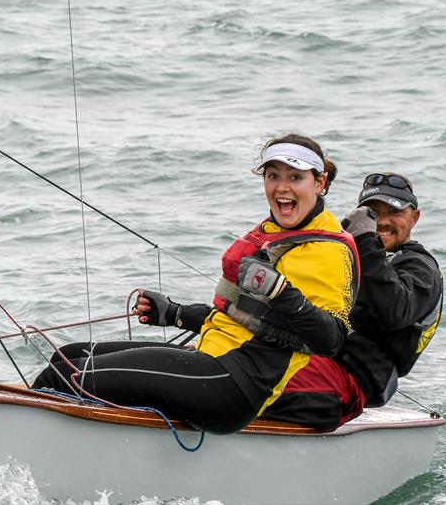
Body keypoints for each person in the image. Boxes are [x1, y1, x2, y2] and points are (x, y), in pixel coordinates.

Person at [33, 133, 358, 434]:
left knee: (65, 376)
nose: (281, 188)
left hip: (237, 383)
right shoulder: (277, 232)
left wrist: (281, 292)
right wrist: (174, 313)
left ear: (321, 183)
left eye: (295, 177)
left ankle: (22, 469)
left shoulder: (326, 250)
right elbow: (243, 316)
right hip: (213, 355)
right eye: (273, 176)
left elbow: (329, 339)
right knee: (67, 356)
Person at [136, 172, 443, 430]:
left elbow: (393, 311)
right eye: (374, 214)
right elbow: (270, 320)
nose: (384, 222)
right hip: (296, 358)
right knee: (187, 361)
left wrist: (363, 242)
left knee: (202, 381)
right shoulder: (349, 259)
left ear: (414, 217)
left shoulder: (420, 268)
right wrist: (176, 313)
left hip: (345, 383)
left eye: (395, 213)